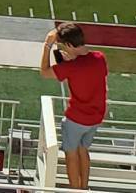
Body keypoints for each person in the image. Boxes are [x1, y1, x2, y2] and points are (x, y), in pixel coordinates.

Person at [42, 23, 107, 189]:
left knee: (71, 155)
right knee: (83, 150)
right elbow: (88, 68)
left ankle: (75, 190)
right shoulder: (100, 58)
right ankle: (84, 188)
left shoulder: (69, 68)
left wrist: (47, 46)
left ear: (69, 45)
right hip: (95, 118)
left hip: (76, 119)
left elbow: (44, 72)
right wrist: (73, 59)